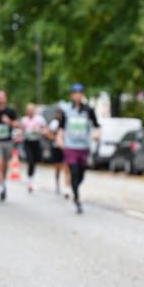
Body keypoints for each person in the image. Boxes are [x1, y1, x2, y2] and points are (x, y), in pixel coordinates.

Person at [56, 84, 99, 214]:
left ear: (83, 94)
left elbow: (96, 126)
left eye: (80, 93)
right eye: (75, 93)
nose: (78, 95)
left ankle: (74, 188)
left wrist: (97, 134)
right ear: (72, 95)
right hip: (70, 146)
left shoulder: (89, 110)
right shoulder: (67, 111)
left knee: (81, 174)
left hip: (84, 147)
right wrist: (59, 138)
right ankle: (77, 199)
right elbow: (61, 128)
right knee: (73, 170)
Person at [20, 103, 46, 193]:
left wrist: (40, 131)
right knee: (30, 160)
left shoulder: (39, 119)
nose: (30, 111)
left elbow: (45, 129)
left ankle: (32, 176)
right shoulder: (24, 120)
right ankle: (29, 180)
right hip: (28, 142)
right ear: (26, 111)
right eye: (28, 110)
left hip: (37, 142)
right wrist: (21, 134)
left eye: (32, 110)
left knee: (35, 161)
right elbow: (21, 131)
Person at [46, 107, 67, 195]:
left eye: (60, 114)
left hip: (65, 147)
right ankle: (57, 184)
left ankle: (66, 186)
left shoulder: (66, 123)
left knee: (65, 166)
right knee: (57, 167)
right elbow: (49, 133)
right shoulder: (54, 123)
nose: (59, 115)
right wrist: (55, 138)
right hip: (56, 147)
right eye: (57, 114)